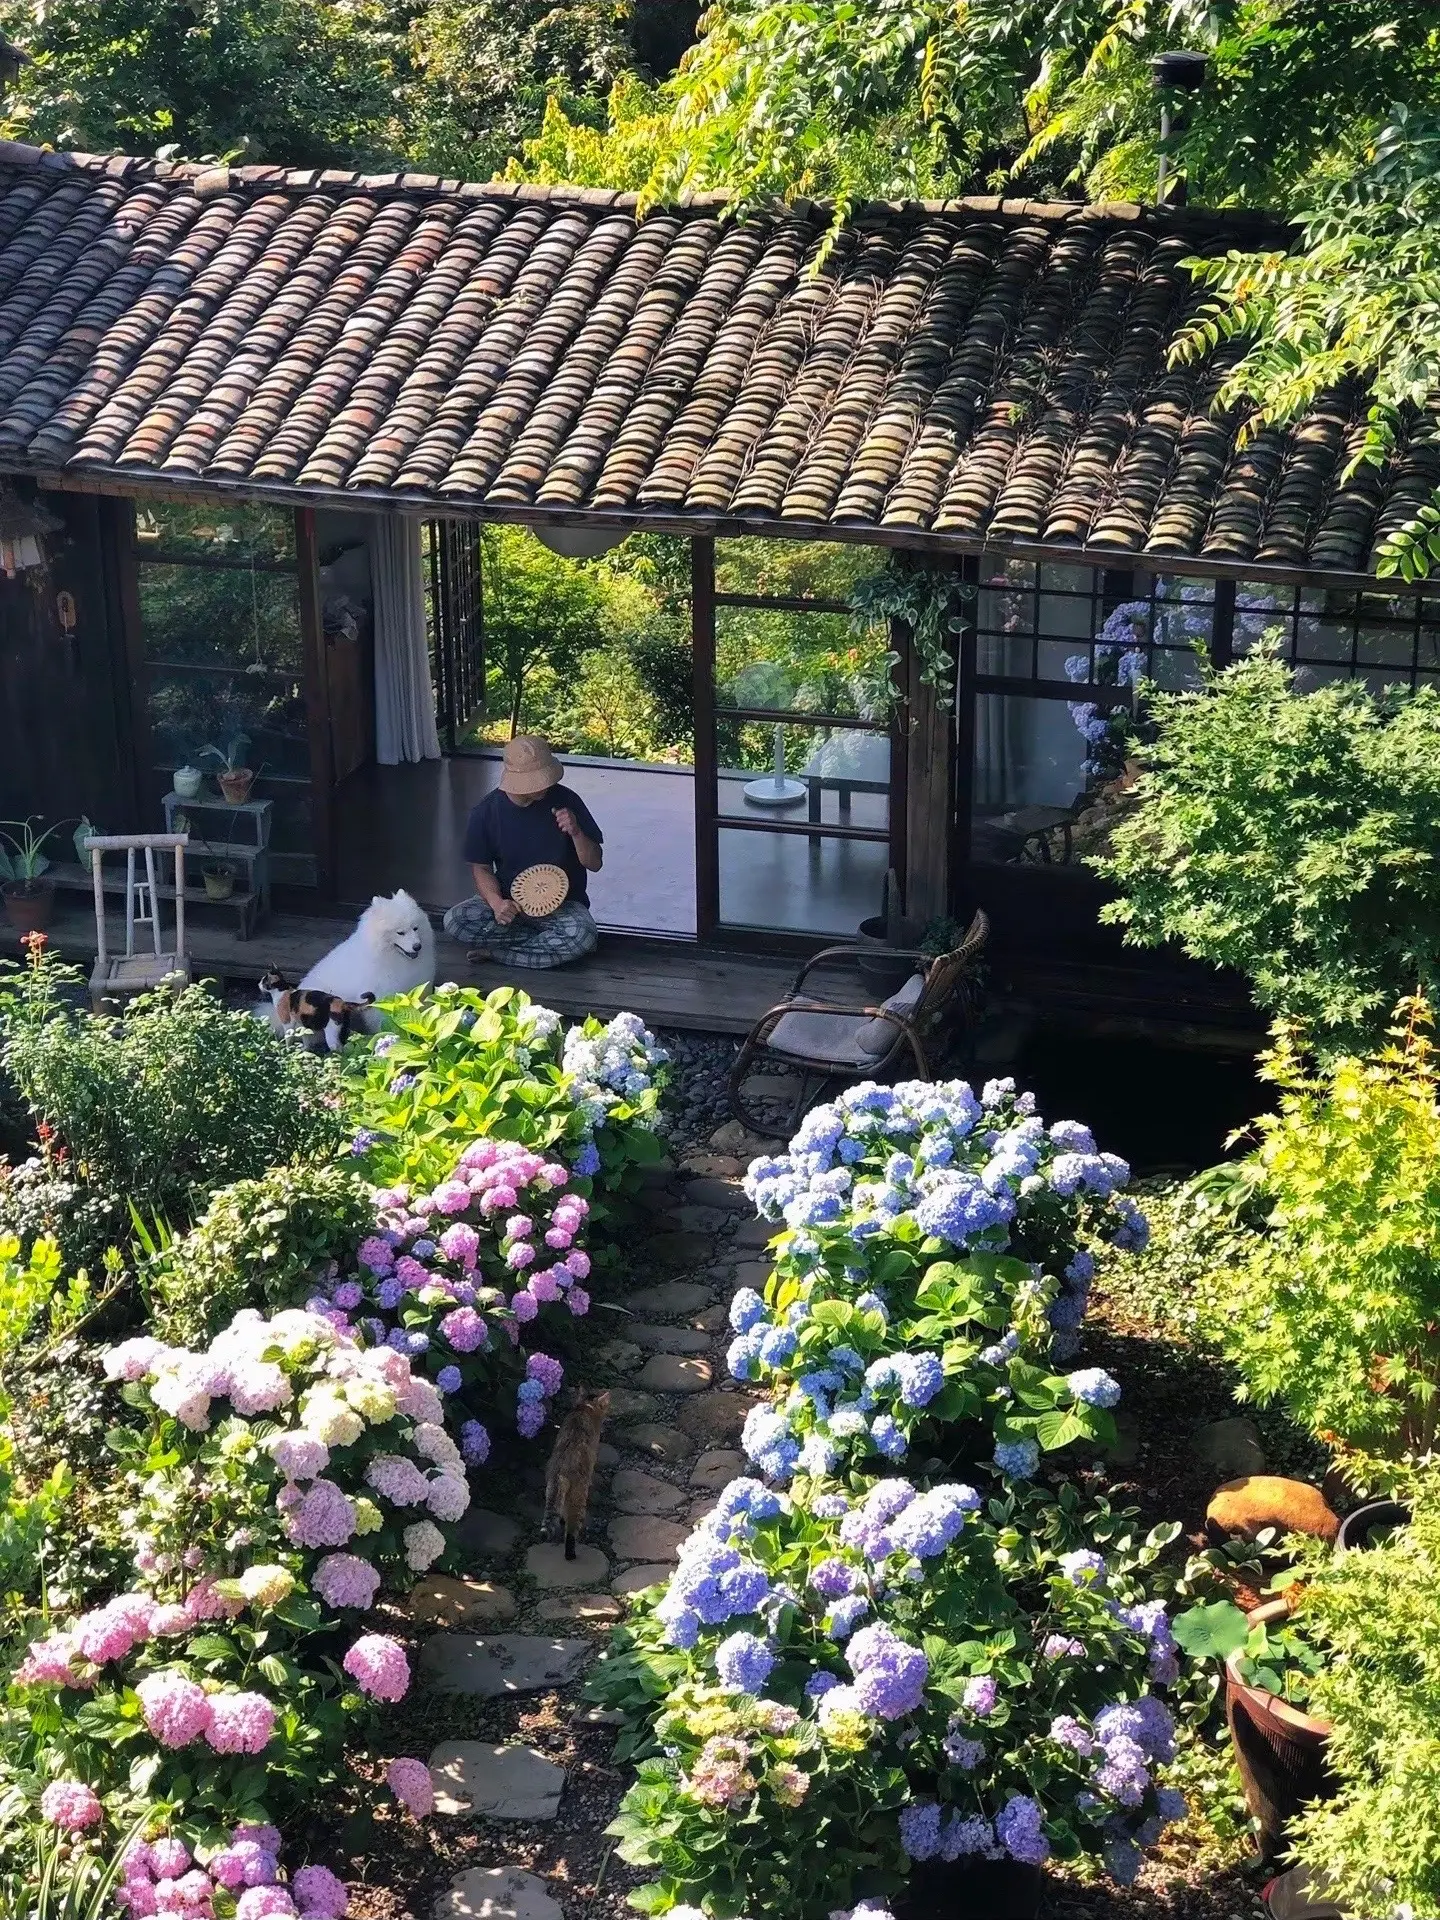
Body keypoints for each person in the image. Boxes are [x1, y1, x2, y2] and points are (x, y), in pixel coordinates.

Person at [443, 735, 603, 968]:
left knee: (582, 933)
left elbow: (595, 863)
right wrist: (497, 903)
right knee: (455, 921)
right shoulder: (486, 812)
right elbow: (481, 868)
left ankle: (497, 954)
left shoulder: (567, 800)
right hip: (512, 904)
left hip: (563, 906)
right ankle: (546, 946)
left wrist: (576, 832)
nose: (545, 785)